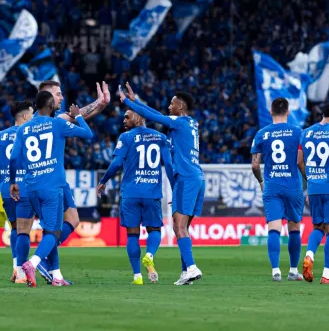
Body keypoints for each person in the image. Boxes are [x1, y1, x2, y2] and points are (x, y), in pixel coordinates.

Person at [120, 82, 205, 285]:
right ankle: (186, 273)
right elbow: (156, 114)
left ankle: (192, 267)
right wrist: (136, 101)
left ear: (180, 107)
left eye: (172, 103)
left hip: (185, 177)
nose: (169, 106)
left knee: (178, 226)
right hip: (197, 178)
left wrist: (129, 102)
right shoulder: (191, 123)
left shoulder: (180, 122)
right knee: (183, 228)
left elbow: (152, 116)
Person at [9, 91, 93, 287]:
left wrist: (13, 181)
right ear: (49, 105)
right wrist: (78, 116)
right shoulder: (57, 124)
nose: (58, 103)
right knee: (53, 232)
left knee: (49, 229)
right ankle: (33, 263)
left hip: (31, 187)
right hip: (52, 186)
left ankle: (56, 275)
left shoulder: (24, 128)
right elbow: (88, 134)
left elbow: (13, 158)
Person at [36, 79, 109, 283]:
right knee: (52, 227)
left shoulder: (52, 119)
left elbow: (78, 116)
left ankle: (48, 266)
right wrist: (97, 104)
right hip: (47, 180)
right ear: (47, 96)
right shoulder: (44, 120)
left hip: (55, 179)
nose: (62, 97)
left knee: (72, 220)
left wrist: (100, 103)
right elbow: (77, 119)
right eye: (58, 94)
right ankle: (42, 265)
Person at [97, 110, 174, 285]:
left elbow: (116, 163)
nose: (123, 120)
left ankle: (137, 276)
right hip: (151, 193)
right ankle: (149, 255)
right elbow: (169, 165)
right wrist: (174, 188)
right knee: (154, 230)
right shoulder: (161, 137)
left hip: (130, 193)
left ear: (139, 117)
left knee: (132, 235)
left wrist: (103, 180)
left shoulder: (125, 137)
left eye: (127, 116)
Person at [250, 98, 306, 282]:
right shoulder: (298, 132)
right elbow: (301, 161)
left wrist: (261, 182)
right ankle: (293, 270)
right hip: (293, 186)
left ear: (271, 112)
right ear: (288, 112)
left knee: (274, 228)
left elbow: (255, 165)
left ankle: (275, 271)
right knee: (294, 227)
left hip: (272, 186)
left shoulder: (262, 133)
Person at [298, 102, 329, 285]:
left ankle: (309, 255)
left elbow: (299, 162)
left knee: (318, 227)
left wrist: (311, 181)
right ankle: (326, 276)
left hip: (314, 188)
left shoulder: (306, 133)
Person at [0, 100, 34, 283]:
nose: (33, 117)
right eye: (31, 114)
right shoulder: (30, 133)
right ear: (25, 116)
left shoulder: (0, 136)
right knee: (25, 231)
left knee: (15, 227)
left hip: (6, 188)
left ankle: (16, 268)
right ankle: (27, 271)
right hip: (26, 187)